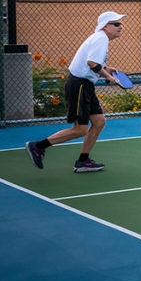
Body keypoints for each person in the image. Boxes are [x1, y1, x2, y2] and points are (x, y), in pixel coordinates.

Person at [25, 11, 125, 173]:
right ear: (106, 26)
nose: (121, 27)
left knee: (99, 122)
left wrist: (106, 68)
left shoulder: (100, 39)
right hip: (79, 85)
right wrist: (108, 76)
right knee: (80, 129)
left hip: (85, 85)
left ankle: (83, 161)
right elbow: (91, 62)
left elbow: (91, 62)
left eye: (121, 23)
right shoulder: (100, 39)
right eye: (116, 24)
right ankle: (37, 146)